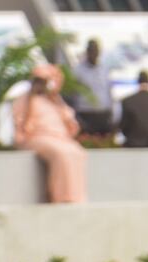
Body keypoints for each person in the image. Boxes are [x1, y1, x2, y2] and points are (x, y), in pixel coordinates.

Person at [13, 64, 87, 203]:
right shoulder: (25, 100)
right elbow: (21, 123)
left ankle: (76, 196)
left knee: (76, 152)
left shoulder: (54, 100)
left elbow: (70, 123)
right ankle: (61, 197)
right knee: (61, 154)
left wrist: (55, 99)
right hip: (38, 138)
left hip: (60, 137)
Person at [71, 39, 114, 136]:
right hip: (85, 114)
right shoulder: (77, 71)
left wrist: (112, 113)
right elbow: (73, 94)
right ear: (87, 51)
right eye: (91, 50)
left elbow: (109, 92)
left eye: (96, 50)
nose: (94, 53)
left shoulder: (105, 69)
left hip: (103, 114)